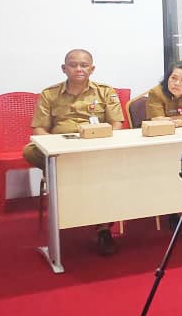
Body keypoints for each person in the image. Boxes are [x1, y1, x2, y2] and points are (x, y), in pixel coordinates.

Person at [22, 49, 124, 255]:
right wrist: (53, 148)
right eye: (73, 65)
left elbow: (116, 124)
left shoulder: (105, 92)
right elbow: (39, 128)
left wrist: (101, 141)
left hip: (95, 146)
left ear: (92, 69)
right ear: (64, 68)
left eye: (84, 65)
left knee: (107, 170)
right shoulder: (49, 94)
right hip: (61, 148)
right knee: (30, 151)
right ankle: (62, 180)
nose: (79, 69)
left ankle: (103, 228)